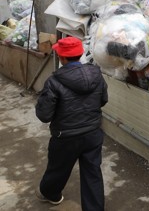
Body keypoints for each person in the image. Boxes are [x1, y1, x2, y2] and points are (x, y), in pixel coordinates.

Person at [35, 36, 108, 211]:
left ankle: (50, 194)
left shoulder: (53, 82)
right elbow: (103, 100)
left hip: (65, 137)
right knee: (93, 174)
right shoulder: (97, 76)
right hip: (92, 134)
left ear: (62, 58)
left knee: (58, 169)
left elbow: (44, 115)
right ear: (81, 53)